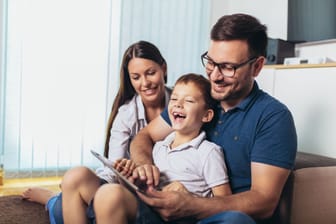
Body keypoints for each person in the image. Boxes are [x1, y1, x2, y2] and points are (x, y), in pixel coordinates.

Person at [128, 13, 297, 224]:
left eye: (228, 67)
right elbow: (144, 136)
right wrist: (145, 166)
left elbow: (264, 202)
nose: (214, 76)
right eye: (211, 62)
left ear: (257, 66)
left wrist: (192, 205)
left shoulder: (272, 117)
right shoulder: (197, 98)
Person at [21, 40, 171, 224]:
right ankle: (57, 197)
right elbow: (111, 173)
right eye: (136, 77)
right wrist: (124, 172)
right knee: (75, 179)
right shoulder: (126, 115)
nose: (145, 83)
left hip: (155, 198)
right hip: (127, 192)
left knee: (62, 209)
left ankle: (52, 199)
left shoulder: (182, 104)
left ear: (163, 68)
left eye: (151, 73)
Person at [93, 73, 232, 224]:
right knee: (104, 191)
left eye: (189, 101)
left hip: (182, 218)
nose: (178, 104)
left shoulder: (208, 152)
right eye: (174, 99)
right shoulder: (158, 147)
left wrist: (191, 199)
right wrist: (129, 177)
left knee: (109, 195)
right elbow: (145, 190)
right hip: (151, 212)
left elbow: (224, 202)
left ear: (206, 115)